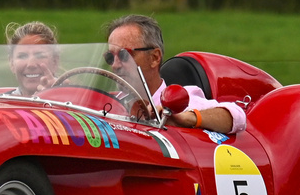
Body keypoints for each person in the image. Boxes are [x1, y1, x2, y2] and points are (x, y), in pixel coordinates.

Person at [104, 14, 245, 134]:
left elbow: (238, 116)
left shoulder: (180, 100)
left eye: (124, 55)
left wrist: (186, 118)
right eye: (110, 57)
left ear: (154, 58)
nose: (115, 65)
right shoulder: (109, 102)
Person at [4, 20, 58, 98]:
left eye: (40, 56)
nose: (31, 64)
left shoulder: (74, 102)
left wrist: (60, 93)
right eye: (22, 56)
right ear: (12, 63)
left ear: (55, 62)